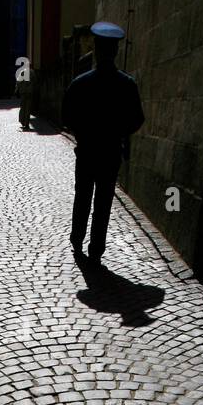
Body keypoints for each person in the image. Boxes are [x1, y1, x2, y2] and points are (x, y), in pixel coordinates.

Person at [61, 21, 144, 266]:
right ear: (116, 51)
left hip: (87, 151)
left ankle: (77, 239)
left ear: (96, 50)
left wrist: (83, 132)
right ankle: (96, 248)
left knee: (83, 197)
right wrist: (118, 132)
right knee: (103, 201)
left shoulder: (80, 84)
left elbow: (67, 118)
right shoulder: (127, 85)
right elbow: (137, 119)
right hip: (110, 152)